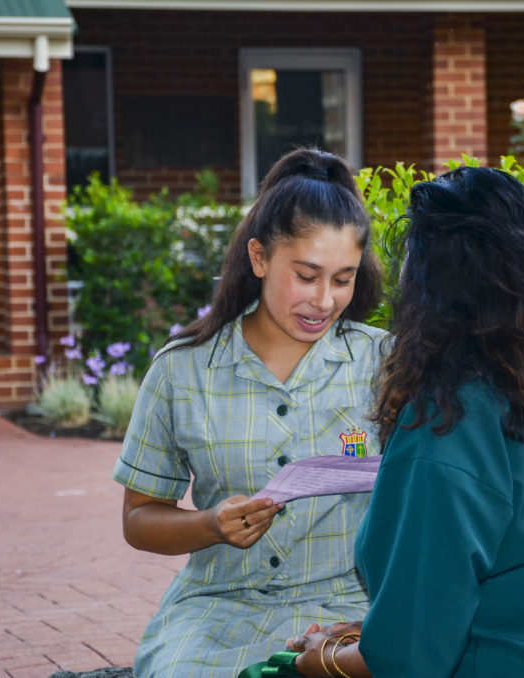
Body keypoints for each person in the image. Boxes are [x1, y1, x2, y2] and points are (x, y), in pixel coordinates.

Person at [287, 166, 524, 678]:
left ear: (431, 290)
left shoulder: (451, 419)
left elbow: (406, 660)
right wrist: (372, 631)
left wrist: (315, 661)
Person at [112, 148, 386, 677]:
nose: (325, 301)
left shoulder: (384, 362)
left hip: (351, 610)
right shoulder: (182, 371)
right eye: (307, 276)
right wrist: (210, 524)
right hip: (218, 608)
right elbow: (139, 519)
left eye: (343, 278)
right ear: (259, 258)